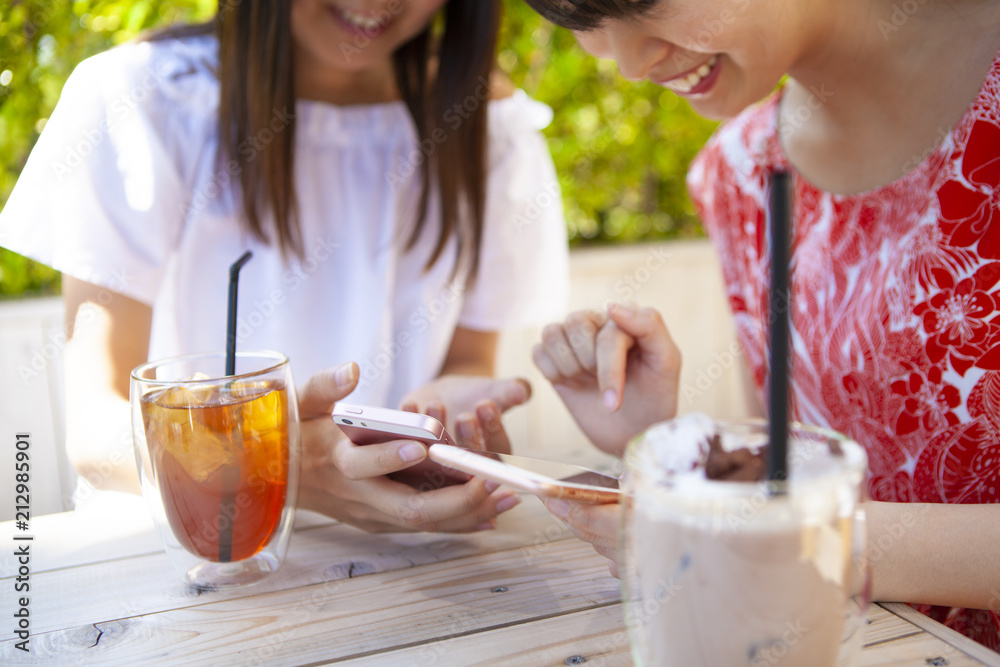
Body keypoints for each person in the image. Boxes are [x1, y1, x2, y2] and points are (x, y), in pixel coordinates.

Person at [523, 0, 1000, 650]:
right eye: (580, 18)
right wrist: (669, 457)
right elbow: (790, 464)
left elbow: (789, 528)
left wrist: (795, 540)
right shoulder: (741, 172)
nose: (631, 64)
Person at [0, 0, 569, 534]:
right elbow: (99, 431)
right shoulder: (146, 100)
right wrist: (277, 463)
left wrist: (440, 421)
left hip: (392, 563)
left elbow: (467, 361)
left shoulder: (486, 128)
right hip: (181, 555)